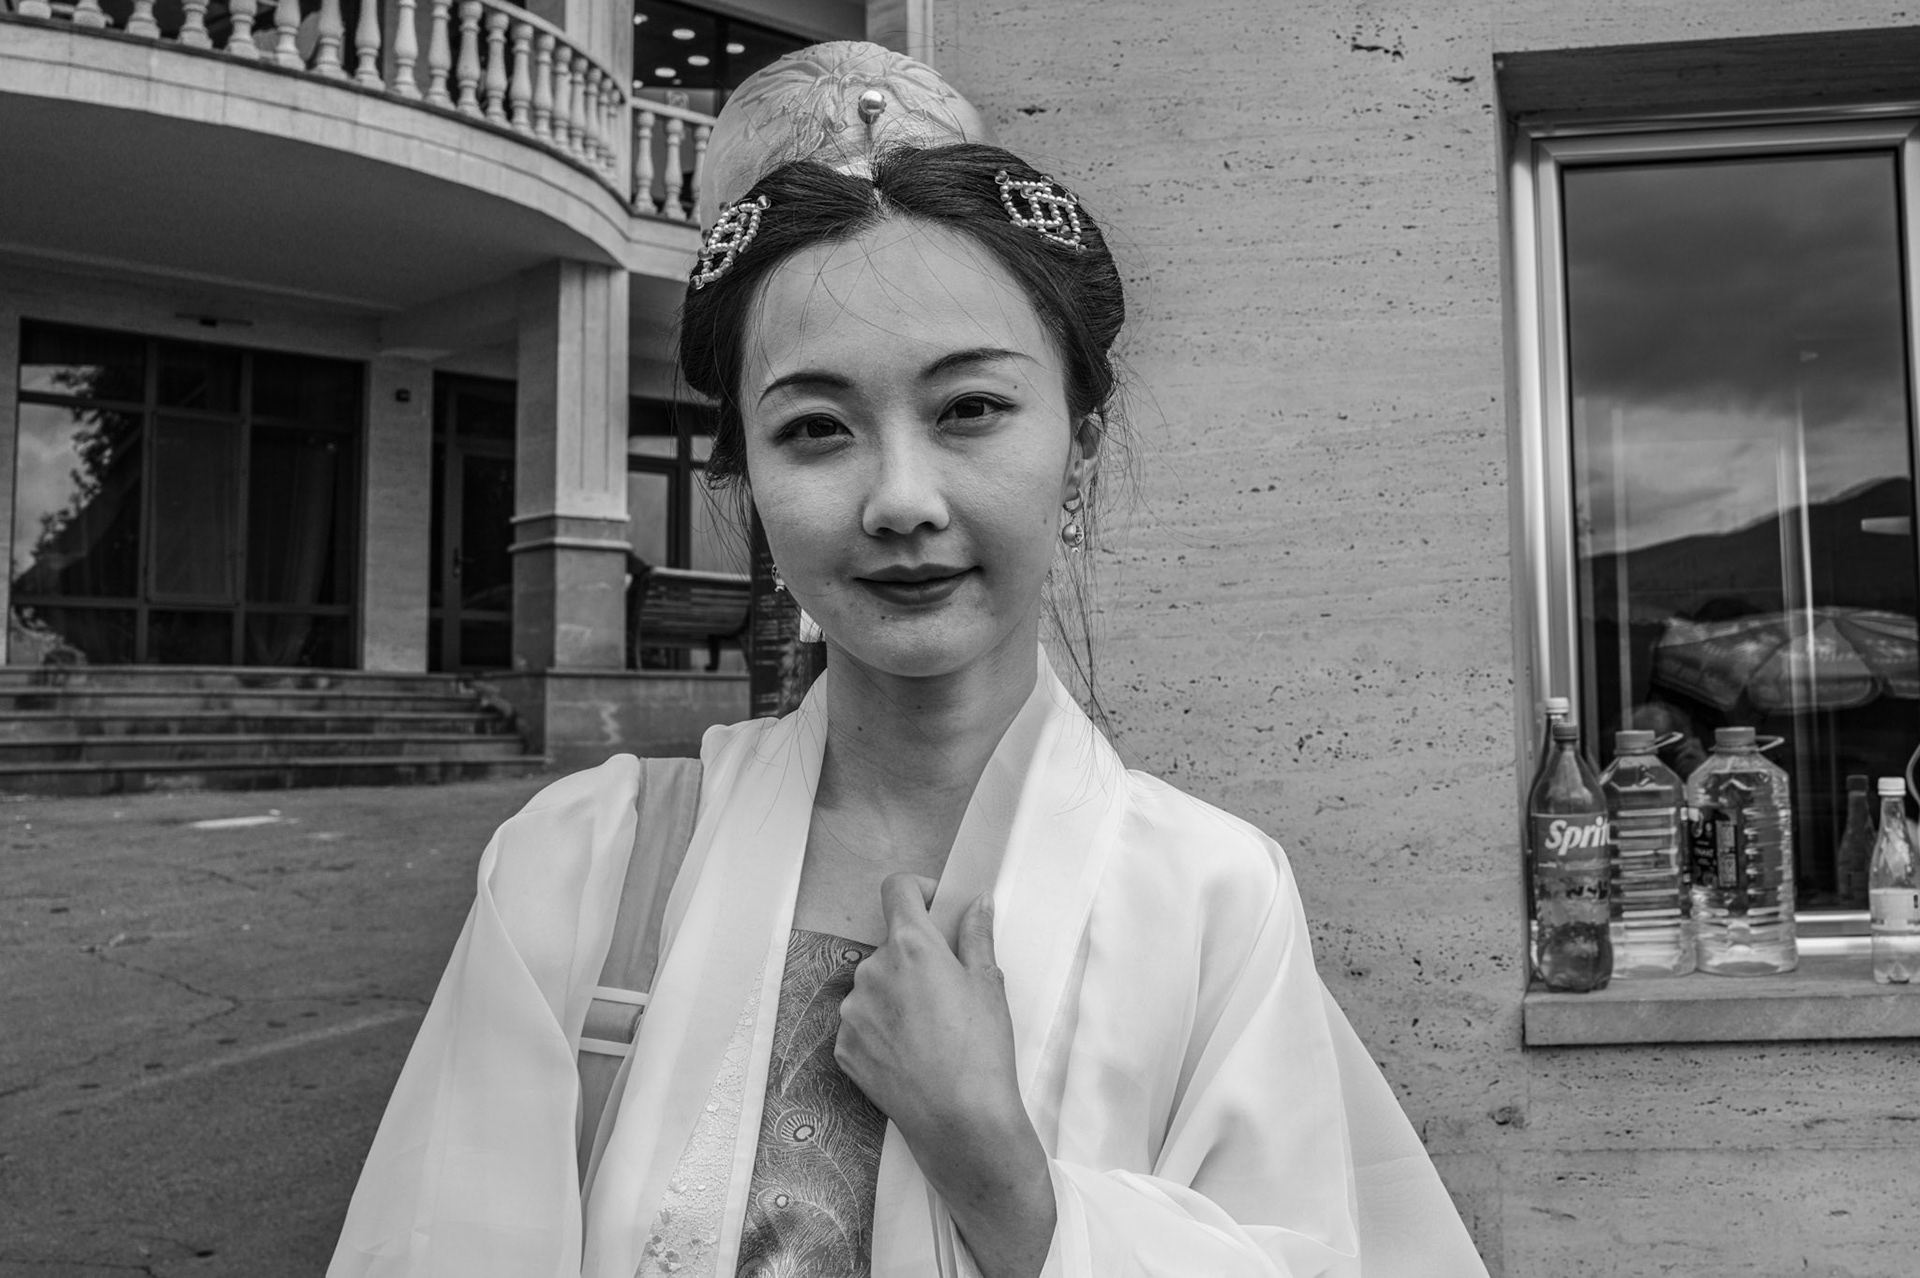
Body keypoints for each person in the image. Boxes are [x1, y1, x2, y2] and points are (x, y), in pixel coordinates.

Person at [329, 43, 1486, 1278]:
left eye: (969, 409)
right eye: (816, 428)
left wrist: (1003, 1177)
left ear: (1081, 455)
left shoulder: (1208, 900)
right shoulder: (580, 869)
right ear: (748, 484)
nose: (899, 499)